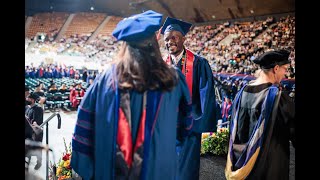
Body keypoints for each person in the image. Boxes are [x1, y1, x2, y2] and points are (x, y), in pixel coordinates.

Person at [71, 10, 193, 180]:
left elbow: (83, 131)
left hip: (109, 171)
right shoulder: (174, 79)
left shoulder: (104, 81)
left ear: (125, 46)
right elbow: (185, 127)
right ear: (154, 42)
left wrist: (90, 171)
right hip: (160, 169)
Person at [160, 17, 218, 180]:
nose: (170, 41)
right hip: (165, 127)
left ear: (183, 38)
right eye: (166, 39)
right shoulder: (161, 65)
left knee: (186, 170)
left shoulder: (199, 63)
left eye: (174, 37)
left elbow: (206, 96)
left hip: (189, 127)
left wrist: (197, 123)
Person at [225, 50, 295, 180]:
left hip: (241, 162)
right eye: (284, 69)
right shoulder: (278, 97)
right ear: (276, 68)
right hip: (270, 166)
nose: (285, 73)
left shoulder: (242, 92)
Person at [25, 92, 44, 170]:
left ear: (32, 100)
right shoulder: (28, 108)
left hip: (36, 132)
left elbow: (36, 122)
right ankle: (27, 165)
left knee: (37, 148)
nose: (26, 99)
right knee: (28, 148)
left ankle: (39, 162)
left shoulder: (38, 108)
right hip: (28, 131)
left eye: (28, 98)